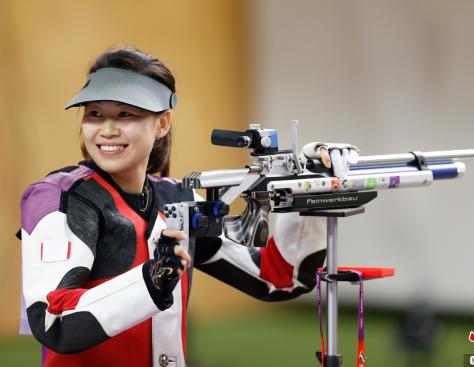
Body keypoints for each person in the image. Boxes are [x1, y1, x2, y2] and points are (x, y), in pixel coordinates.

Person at [19, 46, 360, 367]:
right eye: (95, 114)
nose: (107, 129)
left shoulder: (175, 199)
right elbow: (54, 319)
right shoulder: (58, 198)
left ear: (162, 123)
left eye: (125, 114)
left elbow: (279, 278)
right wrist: (149, 282)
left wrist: (311, 187)